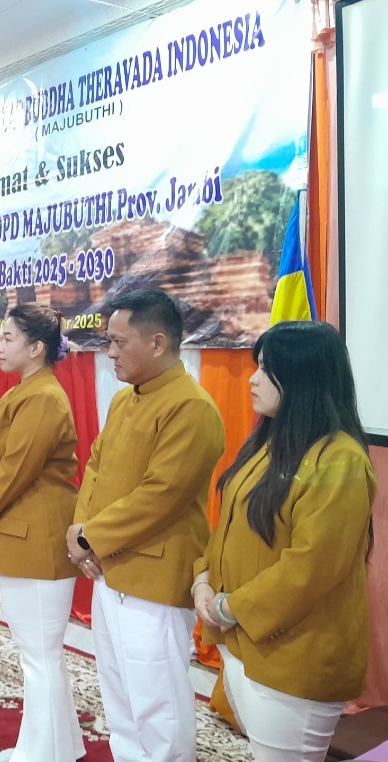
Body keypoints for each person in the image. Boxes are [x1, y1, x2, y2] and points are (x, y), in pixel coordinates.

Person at [192, 321, 376, 762]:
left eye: (266, 368)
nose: (252, 379)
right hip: (244, 641)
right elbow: (228, 526)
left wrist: (228, 607)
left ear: (302, 376)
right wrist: (203, 579)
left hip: (295, 655)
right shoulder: (270, 441)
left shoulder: (340, 460)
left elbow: (310, 568)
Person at [66, 288, 225, 762]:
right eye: (108, 342)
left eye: (119, 342)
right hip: (108, 568)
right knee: (119, 693)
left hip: (154, 576)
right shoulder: (123, 401)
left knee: (158, 702)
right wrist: (80, 532)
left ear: (158, 343)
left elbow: (161, 496)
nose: (110, 352)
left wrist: (91, 537)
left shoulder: (192, 407)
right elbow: (95, 467)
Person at [0, 305, 85, 762]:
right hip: (23, 531)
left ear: (36, 348)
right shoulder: (26, 391)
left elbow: (15, 469)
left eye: (9, 337)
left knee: (39, 656)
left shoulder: (42, 397)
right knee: (41, 654)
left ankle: (41, 754)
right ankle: (59, 747)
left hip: (36, 535)